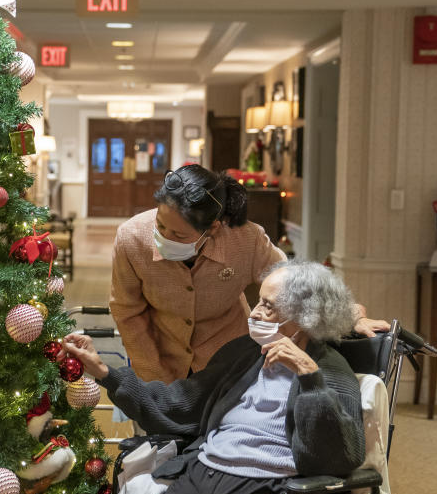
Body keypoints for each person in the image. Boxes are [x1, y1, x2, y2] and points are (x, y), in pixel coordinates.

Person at [61, 260, 365, 494]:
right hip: (203, 474)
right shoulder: (245, 354)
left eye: (268, 306)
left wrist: (309, 377)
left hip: (264, 490)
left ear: (303, 317)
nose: (255, 312)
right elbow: (178, 403)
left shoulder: (329, 371)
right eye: (258, 301)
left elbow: (339, 456)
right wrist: (103, 372)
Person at [110, 164, 387, 383]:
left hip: (231, 361)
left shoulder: (245, 239)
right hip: (161, 357)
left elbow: (296, 282)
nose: (164, 236)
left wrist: (351, 316)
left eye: (179, 234)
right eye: (160, 226)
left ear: (214, 228)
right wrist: (155, 378)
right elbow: (128, 312)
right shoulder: (131, 238)